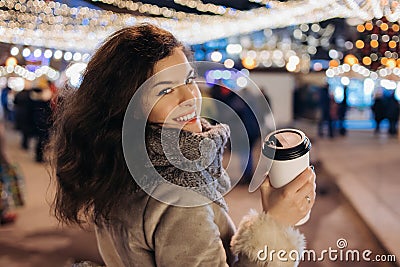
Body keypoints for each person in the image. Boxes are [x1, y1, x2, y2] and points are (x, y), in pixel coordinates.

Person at [48, 24, 316, 266]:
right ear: (127, 106)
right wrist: (277, 225)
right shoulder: (179, 195)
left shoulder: (118, 165)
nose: (190, 97)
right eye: (165, 90)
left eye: (188, 80)